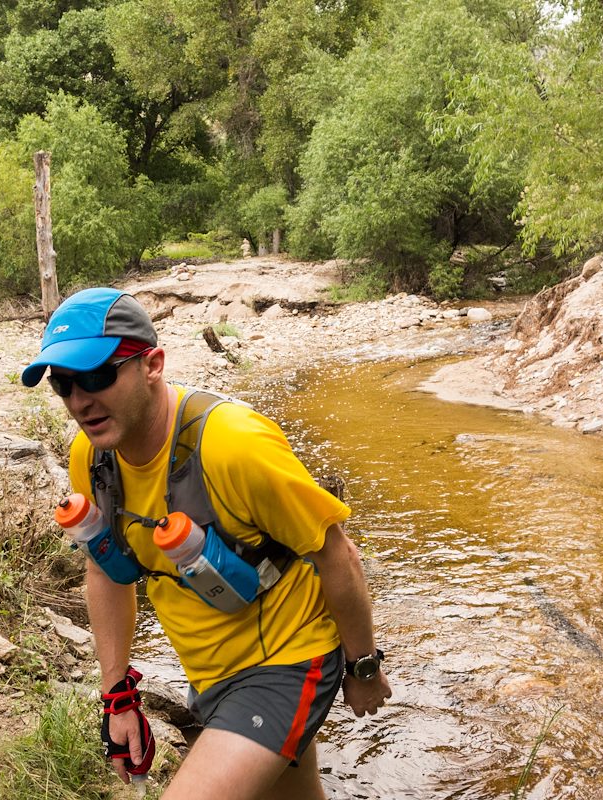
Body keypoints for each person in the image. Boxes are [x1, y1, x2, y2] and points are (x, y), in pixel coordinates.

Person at [21, 287, 391, 800]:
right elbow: (104, 570)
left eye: (98, 376)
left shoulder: (233, 443)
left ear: (152, 365)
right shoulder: (92, 455)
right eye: (64, 384)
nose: (80, 401)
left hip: (289, 658)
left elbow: (336, 554)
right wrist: (117, 696)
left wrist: (363, 666)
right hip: (208, 670)